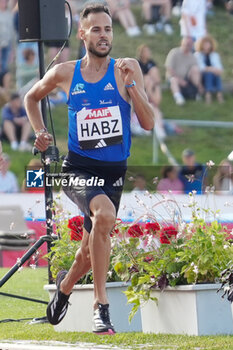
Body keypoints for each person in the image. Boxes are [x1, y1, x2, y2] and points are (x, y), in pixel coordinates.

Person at [24, 3, 155, 334]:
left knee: (88, 250)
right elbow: (31, 97)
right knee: (105, 217)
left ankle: (63, 290)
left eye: (108, 29)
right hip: (78, 169)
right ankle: (101, 306)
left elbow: (148, 122)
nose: (103, 35)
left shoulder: (128, 69)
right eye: (96, 29)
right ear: (82, 34)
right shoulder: (66, 72)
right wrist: (41, 132)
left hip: (115, 172)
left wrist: (132, 88)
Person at [136, 44, 166, 139]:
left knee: (154, 109)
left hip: (149, 104)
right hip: (140, 102)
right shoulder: (138, 64)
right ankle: (150, 130)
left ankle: (158, 131)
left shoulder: (155, 85)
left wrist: (151, 89)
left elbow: (156, 102)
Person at [165, 36, 202, 105]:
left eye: (189, 44)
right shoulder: (174, 52)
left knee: (195, 69)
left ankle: (197, 92)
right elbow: (169, 68)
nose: (187, 46)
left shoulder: (192, 56)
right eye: (186, 44)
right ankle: (178, 97)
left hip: (186, 78)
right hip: (174, 77)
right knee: (173, 80)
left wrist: (199, 84)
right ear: (182, 43)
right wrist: (179, 80)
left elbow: (195, 70)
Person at [195, 35, 224, 104]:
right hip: (202, 77)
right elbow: (201, 68)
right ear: (201, 45)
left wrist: (216, 70)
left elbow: (220, 68)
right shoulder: (197, 55)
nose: (206, 45)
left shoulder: (215, 55)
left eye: (208, 43)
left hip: (214, 76)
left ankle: (219, 94)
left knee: (215, 74)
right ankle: (208, 95)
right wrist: (212, 69)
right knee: (209, 73)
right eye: (205, 44)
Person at [0, 0, 14, 74]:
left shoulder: (9, 14)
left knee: (5, 68)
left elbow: (11, 31)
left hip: (7, 44)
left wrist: (12, 49)